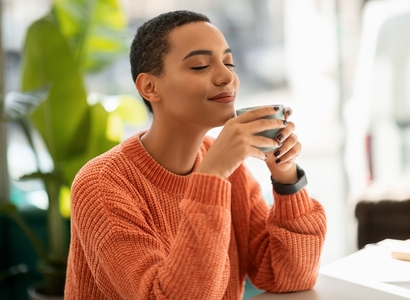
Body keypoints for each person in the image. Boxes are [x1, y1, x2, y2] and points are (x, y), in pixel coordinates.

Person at [65, 10, 327, 300]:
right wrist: (211, 177)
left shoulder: (229, 169)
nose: (227, 76)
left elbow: (289, 277)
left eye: (229, 62)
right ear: (150, 87)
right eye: (201, 66)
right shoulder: (102, 185)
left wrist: (286, 176)